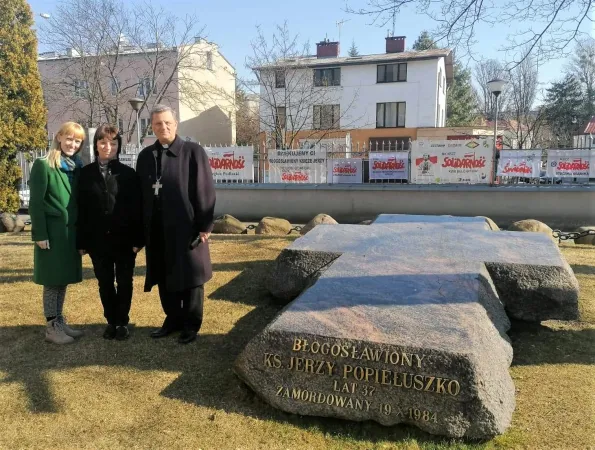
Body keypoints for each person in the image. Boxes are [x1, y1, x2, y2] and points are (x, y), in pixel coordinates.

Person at [135, 105, 216, 344]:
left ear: (176, 124)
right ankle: (172, 319)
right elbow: (140, 194)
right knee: (164, 274)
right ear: (152, 127)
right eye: (158, 124)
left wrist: (205, 225)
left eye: (168, 123)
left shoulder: (193, 152)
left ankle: (191, 324)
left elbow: (205, 190)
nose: (164, 127)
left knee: (191, 276)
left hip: (187, 227)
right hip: (157, 228)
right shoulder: (146, 156)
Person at [76, 125, 143, 341]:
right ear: (96, 145)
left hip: (124, 241)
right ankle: (111, 321)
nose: (108, 147)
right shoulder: (85, 174)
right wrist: (82, 241)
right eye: (103, 142)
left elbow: (137, 209)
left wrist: (138, 240)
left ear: (119, 146)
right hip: (98, 241)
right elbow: (81, 209)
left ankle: (122, 322)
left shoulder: (128, 174)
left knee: (124, 282)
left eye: (113, 143)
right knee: (104, 282)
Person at [29, 121, 85, 344]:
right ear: (59, 137)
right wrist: (40, 234)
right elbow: (35, 203)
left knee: (62, 280)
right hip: (51, 234)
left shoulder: (75, 166)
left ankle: (59, 321)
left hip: (68, 234)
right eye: (69, 138)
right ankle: (52, 327)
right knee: (52, 281)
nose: (73, 144)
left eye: (77, 141)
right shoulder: (44, 165)